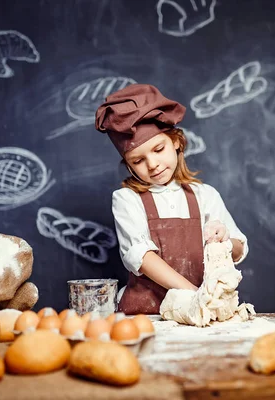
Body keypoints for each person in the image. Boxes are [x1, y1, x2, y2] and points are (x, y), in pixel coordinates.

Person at [95, 84, 249, 315]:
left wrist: (224, 240)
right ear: (128, 164)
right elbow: (143, 258)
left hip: (204, 311)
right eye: (138, 161)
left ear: (176, 141)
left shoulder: (204, 195)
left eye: (158, 149)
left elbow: (237, 251)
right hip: (148, 314)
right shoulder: (127, 199)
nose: (152, 164)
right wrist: (197, 297)